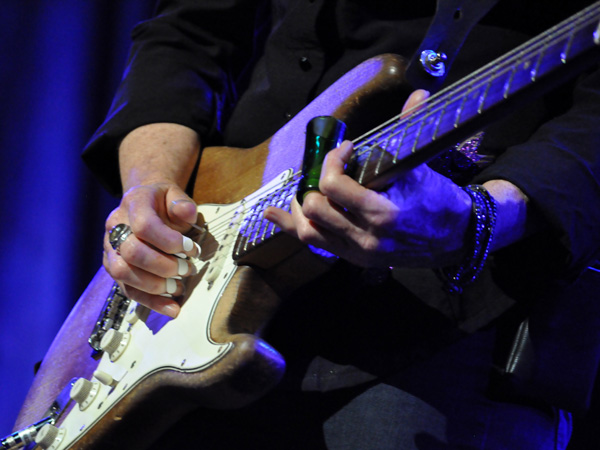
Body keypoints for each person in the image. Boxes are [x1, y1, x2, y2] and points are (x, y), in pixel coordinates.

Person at [82, 0, 600, 448]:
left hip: (444, 327)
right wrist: (149, 186)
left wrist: (480, 218)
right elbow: (189, 28)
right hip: (209, 253)